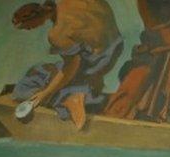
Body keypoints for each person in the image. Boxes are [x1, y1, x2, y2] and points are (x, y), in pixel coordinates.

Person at [11, 0, 123, 130]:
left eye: (27, 27)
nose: (28, 30)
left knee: (26, 88)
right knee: (51, 73)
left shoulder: (57, 34)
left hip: (95, 61)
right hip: (114, 47)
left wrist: (46, 93)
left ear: (32, 19)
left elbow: (70, 69)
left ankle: (72, 98)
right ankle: (83, 89)